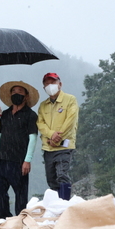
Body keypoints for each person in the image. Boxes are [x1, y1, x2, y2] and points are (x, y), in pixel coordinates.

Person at [0, 80, 39, 218]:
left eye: (20, 92)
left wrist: (27, 160)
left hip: (19, 162)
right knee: (0, 194)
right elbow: (0, 135)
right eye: (13, 92)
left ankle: (20, 222)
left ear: (26, 96)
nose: (16, 94)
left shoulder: (30, 115)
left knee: (20, 196)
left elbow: (33, 138)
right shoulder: (5, 114)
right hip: (2, 161)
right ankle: (4, 219)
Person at [36, 72, 79, 200]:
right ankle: (56, 204)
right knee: (51, 178)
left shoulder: (70, 100)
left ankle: (65, 203)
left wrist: (58, 137)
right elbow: (40, 123)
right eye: (47, 84)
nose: (50, 86)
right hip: (48, 147)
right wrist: (51, 135)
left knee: (62, 174)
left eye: (53, 82)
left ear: (60, 84)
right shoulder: (43, 105)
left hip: (64, 145)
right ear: (44, 87)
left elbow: (71, 121)